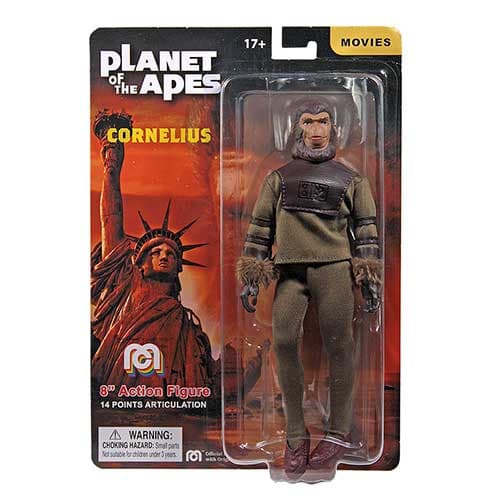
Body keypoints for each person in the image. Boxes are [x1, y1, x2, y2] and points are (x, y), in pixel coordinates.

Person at [237, 101, 382, 479]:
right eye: (308, 121)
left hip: (335, 269)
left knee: (340, 344)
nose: (316, 129)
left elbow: (367, 233)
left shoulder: (352, 181)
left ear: (334, 128)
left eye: (323, 121)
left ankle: (338, 431)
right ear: (297, 128)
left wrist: (369, 279)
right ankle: (295, 433)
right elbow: (260, 229)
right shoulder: (278, 179)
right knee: (284, 340)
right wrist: (251, 277)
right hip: (290, 271)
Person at [91, 111, 214, 390]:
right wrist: (112, 161)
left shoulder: (185, 325)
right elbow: (111, 217)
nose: (164, 256)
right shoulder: (126, 283)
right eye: (155, 253)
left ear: (179, 266)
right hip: (122, 381)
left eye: (171, 254)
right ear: (141, 263)